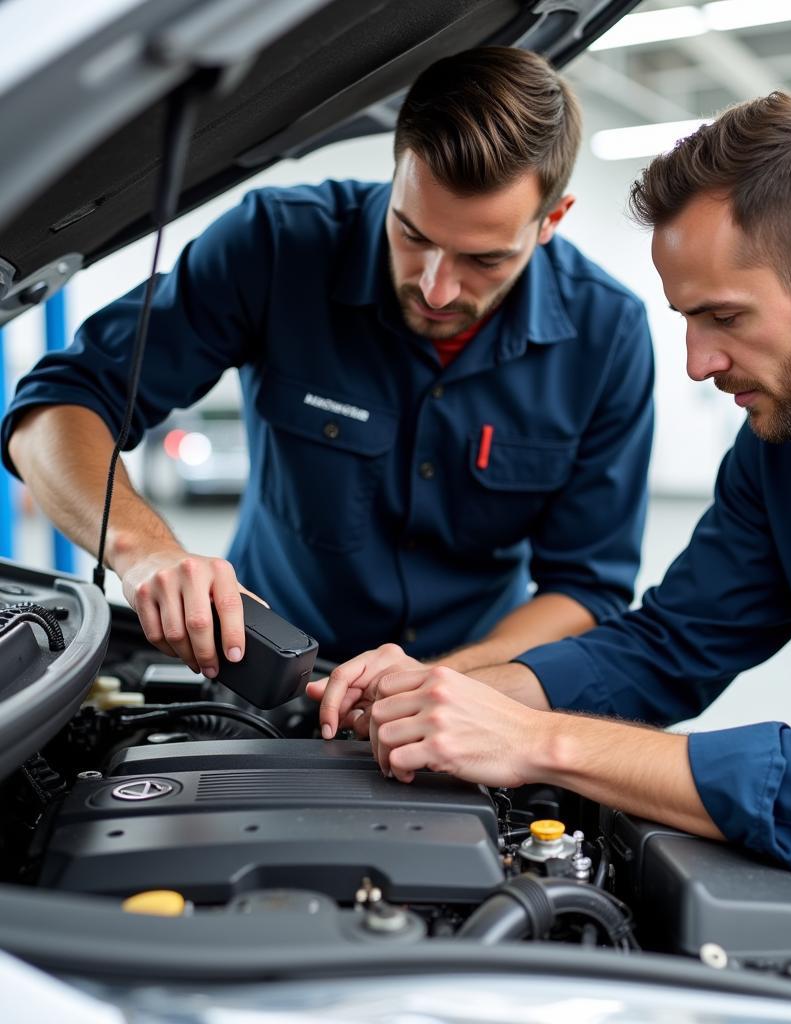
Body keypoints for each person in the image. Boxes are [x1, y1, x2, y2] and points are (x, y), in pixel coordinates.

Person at [315, 92, 791, 933]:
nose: (697, 363)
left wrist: (538, 742)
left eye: (724, 317)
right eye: (688, 318)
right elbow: (670, 643)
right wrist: (451, 691)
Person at [1, 47, 654, 682]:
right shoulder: (278, 246)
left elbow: (585, 590)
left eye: (484, 259)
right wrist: (142, 551)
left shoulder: (607, 335)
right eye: (412, 233)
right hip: (262, 673)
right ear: (398, 172)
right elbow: (54, 410)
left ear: (551, 221)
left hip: (471, 691)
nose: (435, 288)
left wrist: (443, 683)